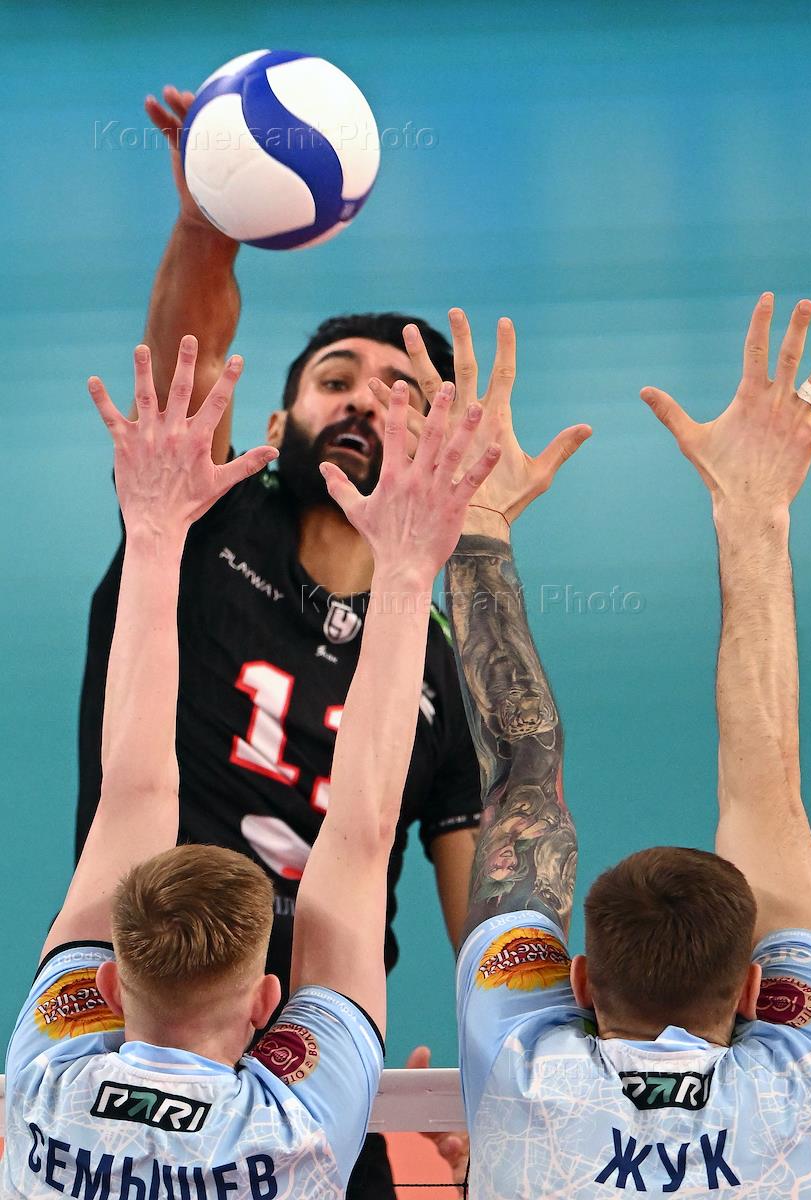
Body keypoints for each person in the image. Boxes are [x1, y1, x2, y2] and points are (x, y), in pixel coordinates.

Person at [75, 87, 484, 1194]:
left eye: (401, 391)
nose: (362, 401)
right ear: (275, 423)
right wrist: (208, 223)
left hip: (315, 1068)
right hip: (139, 1027)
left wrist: (516, 1077)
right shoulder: (202, 529)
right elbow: (188, 365)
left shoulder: (440, 668)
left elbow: (486, 919)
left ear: (444, 448)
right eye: (333, 381)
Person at [3, 337, 498, 1198]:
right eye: (337, 380)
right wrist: (413, 566)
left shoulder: (44, 1091)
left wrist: (152, 528)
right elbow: (362, 833)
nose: (364, 402)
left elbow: (133, 794)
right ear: (269, 1005)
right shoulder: (300, 1133)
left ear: (110, 985)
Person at [421, 295, 811, 1197]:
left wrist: (478, 523)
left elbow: (522, 777)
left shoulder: (524, 1074)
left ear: (580, 983)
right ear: (752, 992)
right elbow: (766, 792)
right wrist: (755, 509)